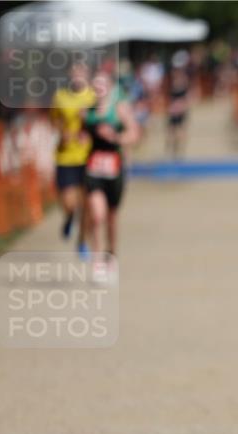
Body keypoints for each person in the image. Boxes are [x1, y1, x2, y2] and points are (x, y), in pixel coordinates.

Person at [82, 70, 140, 283]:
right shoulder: (87, 109)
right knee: (97, 215)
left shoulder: (119, 108)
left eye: (102, 84)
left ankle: (111, 254)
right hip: (93, 168)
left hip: (114, 169)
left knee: (112, 217)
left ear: (110, 86)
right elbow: (81, 132)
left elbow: (134, 133)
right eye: (95, 84)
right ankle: (97, 261)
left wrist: (116, 137)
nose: (98, 88)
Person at [49, 61, 96, 248]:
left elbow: (101, 123)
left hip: (88, 156)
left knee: (87, 205)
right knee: (69, 202)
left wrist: (89, 132)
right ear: (69, 73)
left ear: (88, 74)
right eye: (74, 70)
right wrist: (62, 133)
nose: (78, 74)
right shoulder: (60, 96)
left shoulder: (94, 97)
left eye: (81, 71)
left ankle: (82, 241)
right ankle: (69, 217)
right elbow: (54, 121)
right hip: (65, 156)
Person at [166, 67, 191, 158]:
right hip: (173, 111)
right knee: (171, 130)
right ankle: (172, 149)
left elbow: (187, 101)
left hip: (180, 111)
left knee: (180, 131)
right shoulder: (172, 86)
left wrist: (181, 107)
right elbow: (170, 100)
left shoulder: (184, 88)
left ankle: (181, 150)